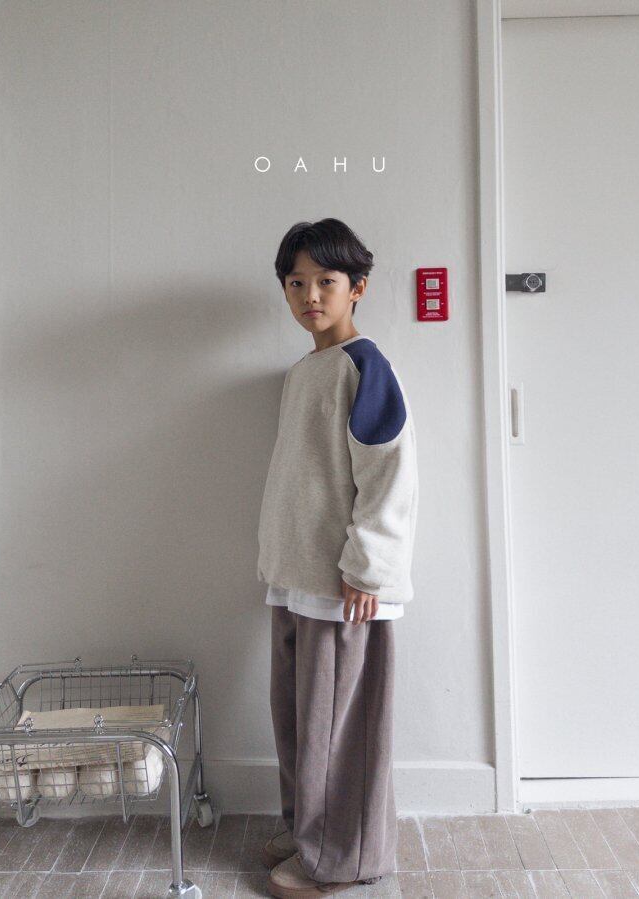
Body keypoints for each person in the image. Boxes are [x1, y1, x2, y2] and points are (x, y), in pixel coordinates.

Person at [256, 218, 419, 898]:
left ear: (358, 288)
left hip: (343, 584)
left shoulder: (364, 367)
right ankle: (310, 833)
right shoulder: (303, 372)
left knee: (337, 731)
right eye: (296, 283)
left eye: (326, 281)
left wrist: (367, 569)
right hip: (296, 577)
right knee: (299, 723)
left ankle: (340, 857)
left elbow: (389, 474)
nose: (310, 296)